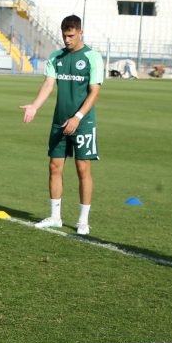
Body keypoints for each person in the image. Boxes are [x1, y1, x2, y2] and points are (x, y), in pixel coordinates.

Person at [20, 15, 104, 235]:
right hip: (59, 122)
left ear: (80, 33)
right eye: (64, 35)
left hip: (83, 123)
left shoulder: (92, 57)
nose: (67, 40)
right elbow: (48, 84)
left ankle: (83, 221)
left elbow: (95, 91)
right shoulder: (57, 57)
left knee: (82, 169)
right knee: (54, 167)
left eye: (71, 35)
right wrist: (35, 106)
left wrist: (77, 117)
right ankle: (55, 217)